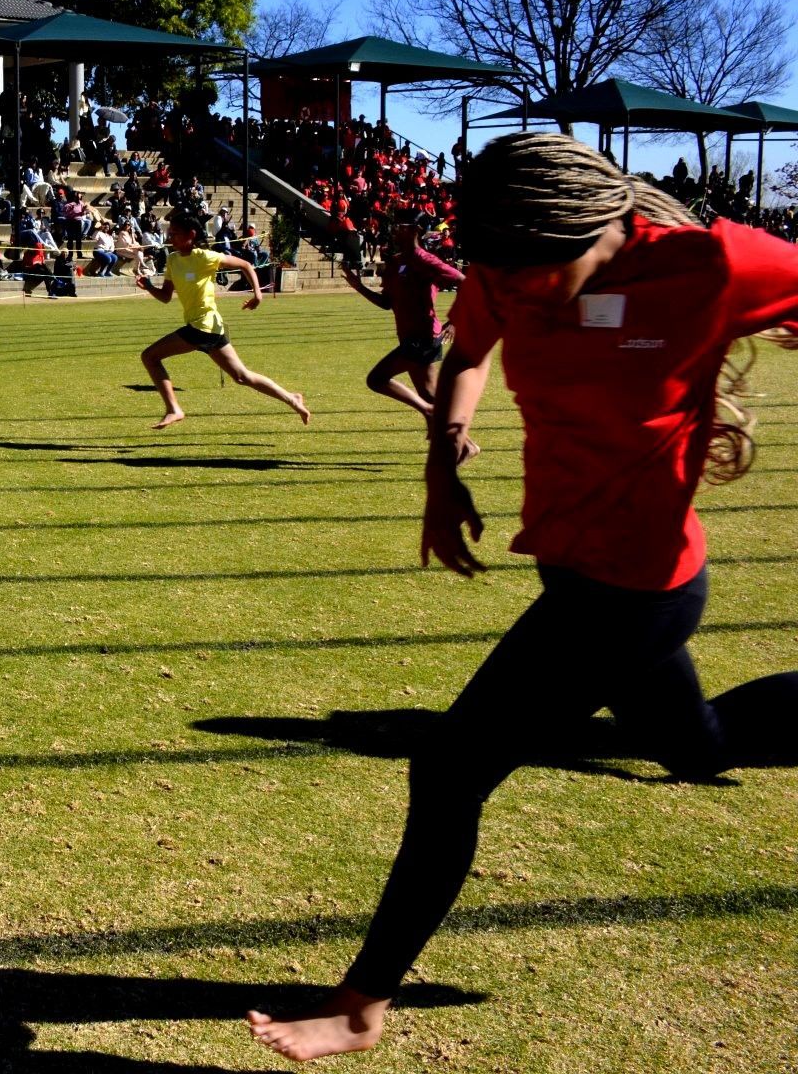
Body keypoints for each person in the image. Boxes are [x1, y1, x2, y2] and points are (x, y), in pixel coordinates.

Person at [249, 131, 798, 1063]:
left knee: (450, 769)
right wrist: (443, 459)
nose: (527, 296)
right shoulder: (512, 263)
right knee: (694, 745)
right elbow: (470, 350)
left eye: (549, 277)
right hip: (575, 566)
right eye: (505, 277)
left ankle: (359, 1005)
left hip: (632, 593)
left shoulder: (714, 264)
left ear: (602, 226)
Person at [137, 212, 309, 429]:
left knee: (150, 356)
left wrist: (258, 294)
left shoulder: (206, 257)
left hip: (205, 326)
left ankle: (174, 409)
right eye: (170, 233)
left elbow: (245, 265)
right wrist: (149, 287)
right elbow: (165, 297)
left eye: (176, 234)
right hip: (207, 328)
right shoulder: (172, 260)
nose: (171, 238)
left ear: (191, 234)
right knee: (241, 376)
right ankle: (292, 398)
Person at [342, 212, 466, 429]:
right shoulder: (396, 262)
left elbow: (464, 282)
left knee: (377, 379)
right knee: (429, 396)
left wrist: (455, 321)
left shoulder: (425, 260)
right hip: (409, 337)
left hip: (424, 337)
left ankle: (435, 418)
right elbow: (386, 303)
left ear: (415, 230)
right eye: (394, 225)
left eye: (401, 226)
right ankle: (464, 442)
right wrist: (359, 287)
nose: (394, 230)